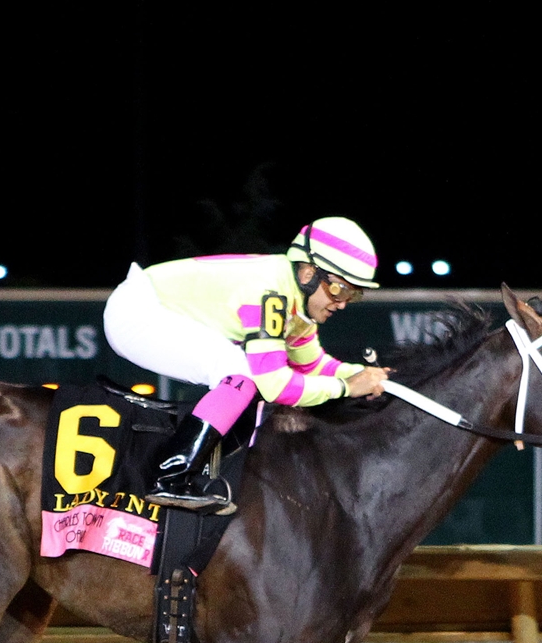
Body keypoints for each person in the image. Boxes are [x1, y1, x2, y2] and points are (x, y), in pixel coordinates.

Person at [102, 217, 391, 513]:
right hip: (135, 312)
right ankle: (169, 476)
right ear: (308, 274)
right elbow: (275, 384)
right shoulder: (271, 293)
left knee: (241, 374)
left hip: (146, 306)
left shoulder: (296, 300)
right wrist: (346, 387)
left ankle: (195, 467)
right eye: (339, 289)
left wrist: (358, 374)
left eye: (353, 294)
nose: (342, 303)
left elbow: (313, 364)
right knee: (242, 374)